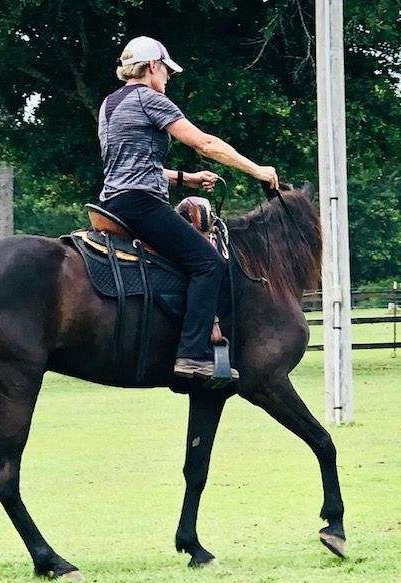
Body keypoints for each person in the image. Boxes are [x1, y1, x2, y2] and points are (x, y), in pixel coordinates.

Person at [97, 35, 278, 380]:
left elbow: (131, 165)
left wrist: (185, 178)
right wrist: (257, 170)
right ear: (152, 67)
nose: (168, 77)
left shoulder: (109, 104)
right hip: (141, 203)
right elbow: (204, 143)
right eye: (166, 70)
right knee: (209, 263)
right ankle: (192, 355)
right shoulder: (150, 99)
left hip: (113, 202)